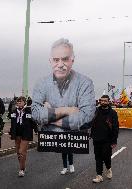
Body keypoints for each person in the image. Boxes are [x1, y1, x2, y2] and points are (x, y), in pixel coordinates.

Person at [31, 38, 96, 175]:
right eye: (56, 60)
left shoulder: (85, 83)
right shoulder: (41, 84)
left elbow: (86, 115)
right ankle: (66, 166)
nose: (60, 64)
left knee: (69, 149)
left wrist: (50, 115)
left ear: (72, 60)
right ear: (50, 61)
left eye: (65, 59)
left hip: (73, 137)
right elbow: (36, 114)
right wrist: (67, 110)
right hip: (54, 139)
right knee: (63, 150)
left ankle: (70, 165)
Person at [91, 95, 119, 183]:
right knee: (98, 157)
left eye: (105, 101)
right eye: (101, 100)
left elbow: (115, 128)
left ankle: (108, 168)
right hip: (96, 138)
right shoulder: (95, 111)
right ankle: (99, 175)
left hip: (108, 140)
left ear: (108, 101)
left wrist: (114, 141)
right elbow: (90, 122)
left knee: (106, 157)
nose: (103, 102)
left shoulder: (113, 113)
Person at [9, 96, 36, 177]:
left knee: (21, 151)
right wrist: (11, 132)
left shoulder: (28, 111)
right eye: (18, 102)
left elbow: (33, 122)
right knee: (18, 152)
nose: (19, 103)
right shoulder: (14, 111)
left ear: (24, 102)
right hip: (17, 133)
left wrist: (38, 130)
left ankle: (21, 169)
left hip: (26, 133)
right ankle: (23, 166)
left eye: (20, 101)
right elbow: (12, 123)